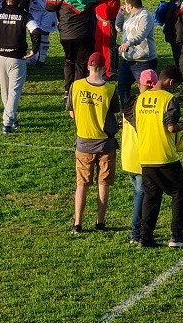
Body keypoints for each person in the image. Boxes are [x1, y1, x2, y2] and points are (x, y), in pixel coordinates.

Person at [122, 65, 183, 248]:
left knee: (151, 197)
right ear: (170, 81)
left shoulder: (140, 100)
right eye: (175, 85)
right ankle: (177, 236)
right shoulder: (169, 99)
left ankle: (145, 237)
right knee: (179, 192)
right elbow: (170, 127)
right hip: (164, 156)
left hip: (145, 157)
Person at [67, 52, 120, 234]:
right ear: (104, 68)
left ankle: (78, 223)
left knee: (81, 184)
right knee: (103, 183)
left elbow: (72, 112)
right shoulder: (110, 89)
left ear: (88, 66)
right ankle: (100, 222)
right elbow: (113, 112)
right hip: (105, 143)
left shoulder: (76, 86)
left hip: (83, 142)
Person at [0, 0, 42, 134]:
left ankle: (11, 119)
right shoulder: (25, 16)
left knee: (5, 90)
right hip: (17, 58)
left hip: (0, 57)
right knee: (14, 91)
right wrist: (34, 50)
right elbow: (36, 31)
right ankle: (7, 122)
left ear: (6, 0)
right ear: (20, 1)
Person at [46, 0, 99, 98]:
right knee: (81, 64)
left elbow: (49, 6)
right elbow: (100, 1)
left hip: (67, 35)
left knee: (69, 61)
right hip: (87, 33)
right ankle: (78, 89)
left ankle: (67, 90)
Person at [121, 68, 159, 245]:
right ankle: (136, 233)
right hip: (142, 157)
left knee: (139, 193)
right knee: (141, 195)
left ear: (139, 85)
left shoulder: (130, 102)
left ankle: (138, 231)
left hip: (128, 156)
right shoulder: (149, 106)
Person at [115, 0, 158, 106]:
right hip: (128, 61)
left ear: (130, 5)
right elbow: (119, 27)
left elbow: (141, 35)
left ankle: (146, 113)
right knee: (122, 87)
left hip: (143, 61)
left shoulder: (145, 16)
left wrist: (128, 43)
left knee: (145, 90)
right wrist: (120, 14)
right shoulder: (130, 18)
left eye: (125, 4)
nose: (125, 6)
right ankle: (127, 113)